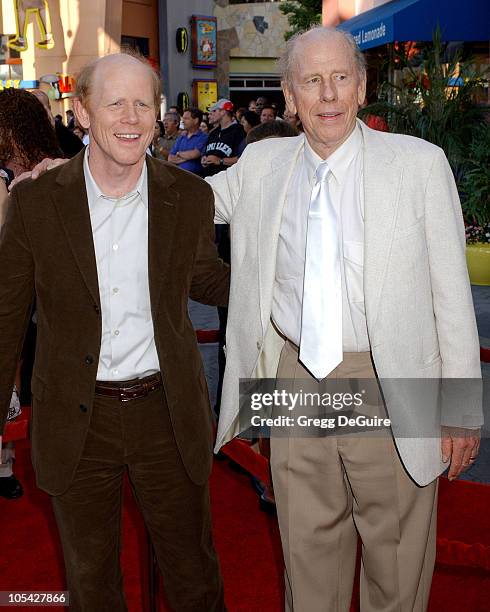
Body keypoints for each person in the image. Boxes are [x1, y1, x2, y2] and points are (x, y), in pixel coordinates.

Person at [208, 27, 481, 612]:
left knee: (399, 561)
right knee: (305, 559)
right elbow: (182, 201)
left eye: (340, 78)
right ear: (290, 95)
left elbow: (451, 295)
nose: (327, 94)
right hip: (295, 375)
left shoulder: (419, 164)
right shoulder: (261, 163)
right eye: (311, 81)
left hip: (392, 380)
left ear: (361, 88)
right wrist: (94, 169)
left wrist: (458, 413)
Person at [0, 52, 228, 611]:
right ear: (81, 113)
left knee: (194, 577)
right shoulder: (35, 201)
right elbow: (6, 314)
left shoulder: (189, 196)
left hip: (166, 412)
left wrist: (290, 274)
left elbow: (207, 280)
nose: (130, 117)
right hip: (76, 416)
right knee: (91, 583)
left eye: (143, 103)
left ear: (157, 114)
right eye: (115, 103)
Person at [201, 99, 245, 176]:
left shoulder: (239, 131)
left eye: (214, 111)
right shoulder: (213, 132)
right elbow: (206, 152)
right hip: (208, 178)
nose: (210, 115)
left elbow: (242, 158)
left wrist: (220, 161)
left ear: (223, 112)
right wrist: (204, 159)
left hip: (227, 179)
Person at [168, 107, 207, 175]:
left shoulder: (203, 137)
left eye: (186, 118)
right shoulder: (181, 137)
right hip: (179, 176)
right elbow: (170, 158)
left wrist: (179, 154)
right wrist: (188, 157)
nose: (183, 121)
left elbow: (195, 154)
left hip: (196, 178)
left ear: (196, 120)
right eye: (183, 118)